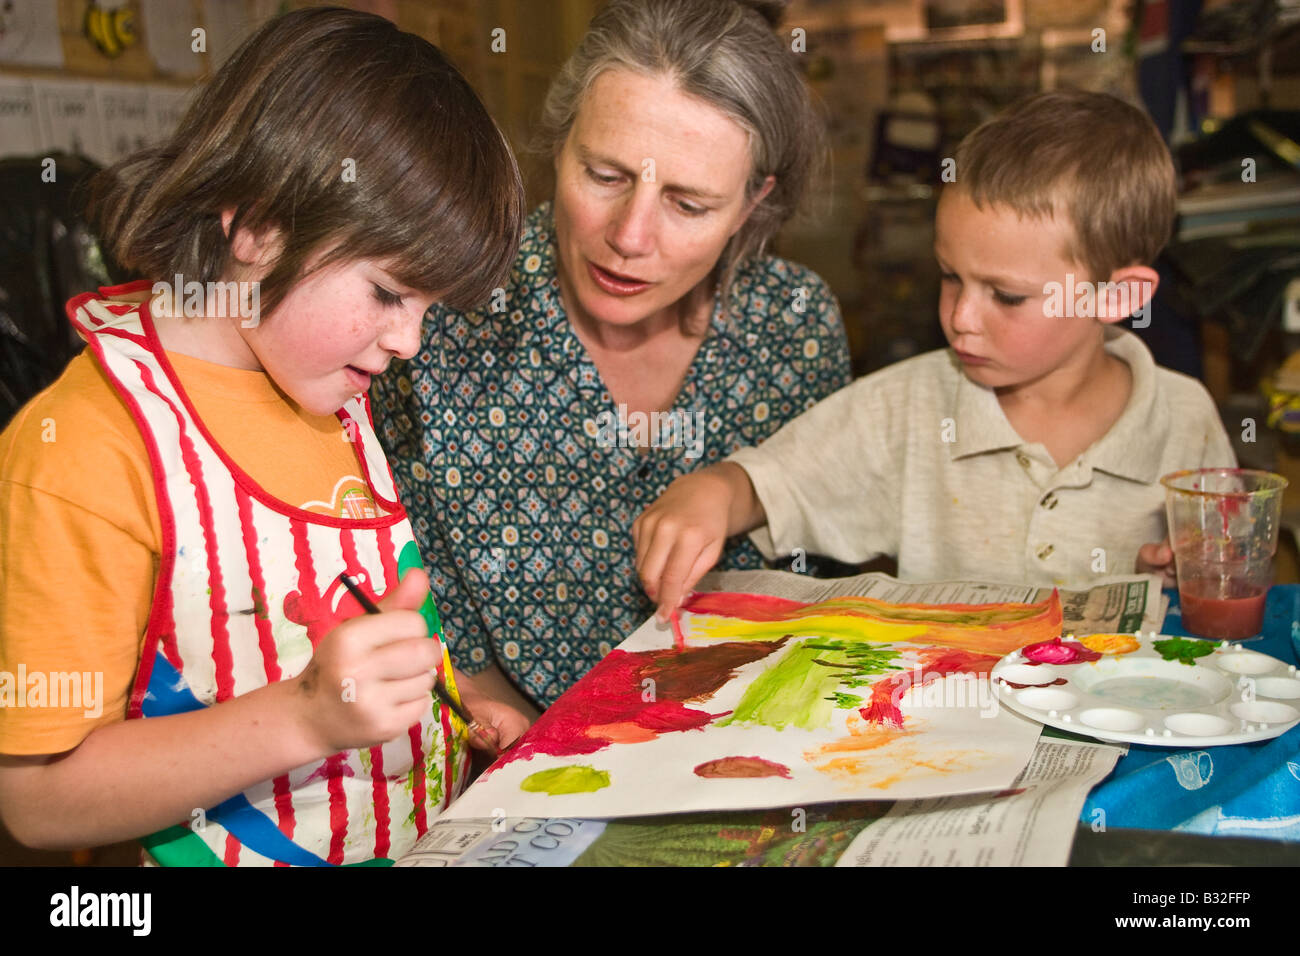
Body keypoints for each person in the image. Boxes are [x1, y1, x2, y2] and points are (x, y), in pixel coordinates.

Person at [0, 7, 530, 866]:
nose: (410, 343)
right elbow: (34, 800)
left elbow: (320, 629)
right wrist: (305, 716)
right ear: (254, 227)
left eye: (430, 309)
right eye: (390, 294)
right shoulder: (86, 450)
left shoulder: (327, 384)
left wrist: (445, 702)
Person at [373, 0, 851, 714]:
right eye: (604, 175)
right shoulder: (439, 322)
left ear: (755, 201)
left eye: (688, 205)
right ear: (559, 143)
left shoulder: (792, 325)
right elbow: (434, 626)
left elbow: (828, 577)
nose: (630, 236)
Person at [635, 89, 1237, 619]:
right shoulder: (911, 406)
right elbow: (775, 483)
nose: (959, 317)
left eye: (1006, 295)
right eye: (950, 276)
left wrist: (1201, 575)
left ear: (1118, 295)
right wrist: (714, 492)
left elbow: (1232, 565)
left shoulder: (1185, 419)